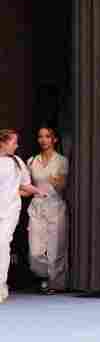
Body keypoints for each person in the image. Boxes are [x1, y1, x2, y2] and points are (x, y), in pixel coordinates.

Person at [0, 129, 46, 302]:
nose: (17, 145)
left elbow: (25, 185)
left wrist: (38, 191)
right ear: (3, 143)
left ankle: (1, 286)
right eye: (14, 142)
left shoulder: (17, 162)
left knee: (2, 243)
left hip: (10, 210)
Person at [27, 127, 69, 294]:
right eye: (40, 137)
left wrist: (55, 180)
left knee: (56, 249)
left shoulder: (61, 161)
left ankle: (55, 284)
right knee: (35, 251)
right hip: (37, 206)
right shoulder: (32, 161)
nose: (43, 140)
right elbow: (27, 185)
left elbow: (62, 185)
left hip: (55, 206)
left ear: (54, 139)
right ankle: (44, 276)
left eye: (47, 136)